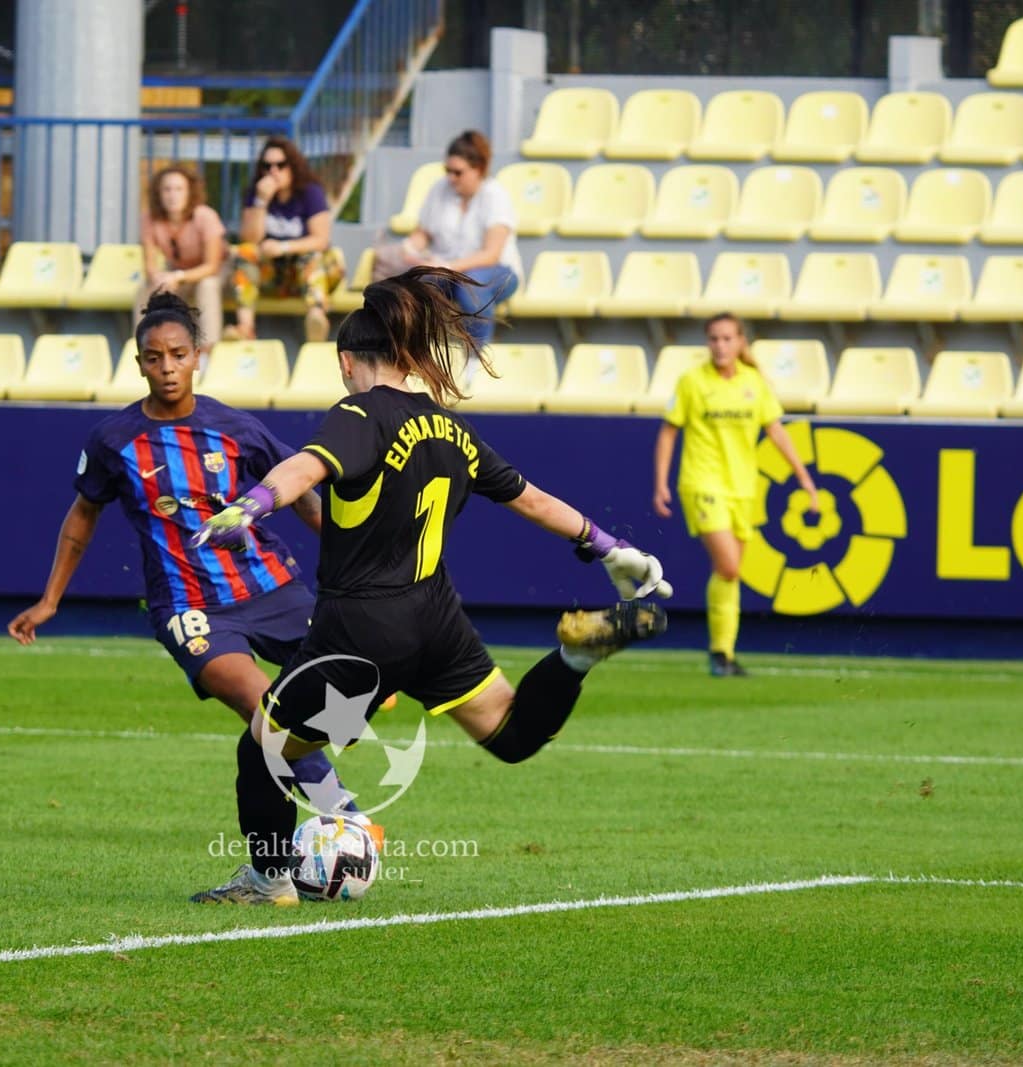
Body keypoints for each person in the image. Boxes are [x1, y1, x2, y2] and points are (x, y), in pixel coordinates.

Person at [187, 267, 673, 906]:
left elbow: (306, 465)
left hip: (360, 628)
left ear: (347, 362)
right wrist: (609, 546)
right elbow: (530, 498)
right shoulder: (450, 428)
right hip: (436, 621)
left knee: (263, 748)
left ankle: (267, 881)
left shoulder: (358, 413)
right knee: (511, 735)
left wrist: (253, 503)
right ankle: (575, 657)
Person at [7, 291, 364, 813]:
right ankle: (345, 820)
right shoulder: (114, 440)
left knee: (344, 695)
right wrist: (50, 600)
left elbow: (303, 493)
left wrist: (353, 562)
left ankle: (299, 813)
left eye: (178, 355)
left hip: (271, 587)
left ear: (198, 355)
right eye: (155, 358)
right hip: (189, 608)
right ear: (139, 364)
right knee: (264, 708)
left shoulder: (236, 428)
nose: (168, 368)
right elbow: (83, 514)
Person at [653, 313, 819, 677]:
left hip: (743, 488)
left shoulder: (753, 383)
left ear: (741, 342)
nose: (720, 345)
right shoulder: (693, 381)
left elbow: (776, 431)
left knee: (729, 574)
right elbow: (669, 431)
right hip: (702, 484)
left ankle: (723, 653)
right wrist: (661, 482)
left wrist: (804, 478)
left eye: (727, 338)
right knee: (728, 566)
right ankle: (720, 653)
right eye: (714, 338)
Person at [396, 130, 522, 358]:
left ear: (479, 169)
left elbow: (491, 255)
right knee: (412, 285)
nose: (451, 178)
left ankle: (476, 358)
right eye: (447, 171)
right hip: (448, 271)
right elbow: (423, 233)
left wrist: (448, 267)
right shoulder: (439, 189)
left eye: (458, 172)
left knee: (470, 288)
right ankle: (412, 354)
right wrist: (410, 248)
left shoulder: (496, 196)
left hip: (497, 271)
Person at [228, 136, 345, 345]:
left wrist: (283, 247)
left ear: (293, 166)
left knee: (312, 256)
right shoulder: (256, 194)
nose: (273, 171)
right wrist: (261, 201)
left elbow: (321, 240)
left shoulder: (310, 192)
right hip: (274, 275)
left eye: (280, 165)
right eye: (267, 166)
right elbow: (250, 239)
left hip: (308, 274)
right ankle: (245, 327)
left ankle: (316, 317)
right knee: (245, 253)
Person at [139, 166, 226, 346]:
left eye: (179, 189)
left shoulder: (205, 216)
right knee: (147, 289)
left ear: (189, 192)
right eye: (167, 189)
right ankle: (146, 345)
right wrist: (159, 278)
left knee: (207, 286)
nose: (173, 195)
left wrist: (178, 276)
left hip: (217, 272)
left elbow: (212, 266)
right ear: (158, 193)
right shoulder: (149, 218)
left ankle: (208, 349)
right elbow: (150, 266)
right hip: (178, 271)